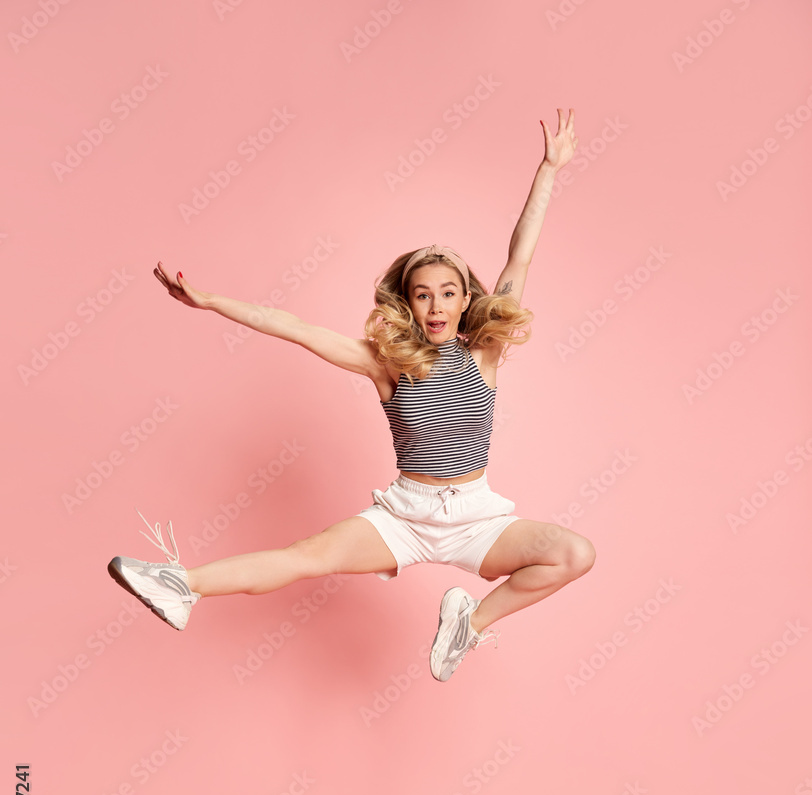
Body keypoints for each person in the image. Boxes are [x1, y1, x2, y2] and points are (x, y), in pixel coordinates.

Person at [108, 108, 595, 682]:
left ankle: (470, 623)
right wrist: (212, 301)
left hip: (476, 518)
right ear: (407, 303)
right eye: (422, 295)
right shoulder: (384, 363)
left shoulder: (484, 353)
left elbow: (520, 256)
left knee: (574, 553)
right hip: (406, 516)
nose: (436, 306)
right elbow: (291, 325)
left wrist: (549, 168)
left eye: (447, 294)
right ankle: (179, 585)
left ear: (466, 300)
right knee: (305, 556)